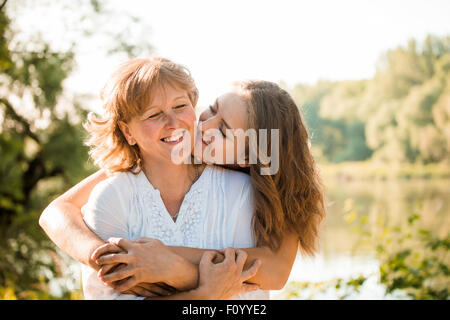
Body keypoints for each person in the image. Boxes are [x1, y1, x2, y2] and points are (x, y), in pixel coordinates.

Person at [39, 56, 326, 299]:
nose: (204, 126)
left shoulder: (263, 191)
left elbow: (273, 272)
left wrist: (170, 265)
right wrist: (106, 257)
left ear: (247, 157)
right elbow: (56, 212)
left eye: (223, 131)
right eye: (211, 110)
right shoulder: (134, 175)